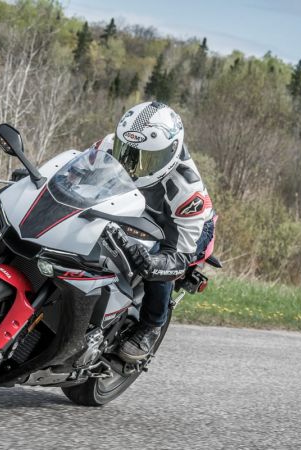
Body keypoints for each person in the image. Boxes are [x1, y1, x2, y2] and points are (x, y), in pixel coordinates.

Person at [92, 101, 215, 362]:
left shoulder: (186, 189)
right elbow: (78, 175)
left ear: (169, 153)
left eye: (146, 159)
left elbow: (178, 256)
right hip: (138, 207)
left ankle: (151, 326)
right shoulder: (108, 145)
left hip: (182, 226)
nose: (132, 164)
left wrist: (154, 263)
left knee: (157, 258)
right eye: (127, 152)